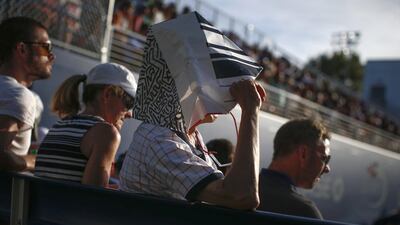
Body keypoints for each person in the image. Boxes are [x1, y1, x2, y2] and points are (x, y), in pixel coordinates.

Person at [120, 28, 266, 210]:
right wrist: (251, 112)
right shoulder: (158, 139)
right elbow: (242, 196)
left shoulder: (188, 135)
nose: (227, 92)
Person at [34, 63, 136, 187]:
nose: (129, 114)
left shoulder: (61, 124)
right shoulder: (106, 133)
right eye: (129, 102)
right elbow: (93, 198)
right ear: (107, 94)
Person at [0, 17, 55, 171]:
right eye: (46, 48)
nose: (51, 56)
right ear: (22, 49)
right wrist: (38, 161)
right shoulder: (18, 95)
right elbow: (1, 156)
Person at [257, 119, 331, 219]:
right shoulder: (304, 213)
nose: (327, 168)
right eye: (324, 158)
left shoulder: (238, 191)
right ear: (303, 154)